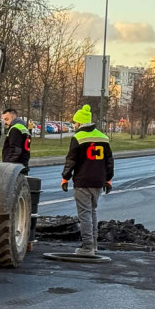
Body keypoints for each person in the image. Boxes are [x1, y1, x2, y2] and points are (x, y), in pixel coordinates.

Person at [61, 104, 114, 257]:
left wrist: (65, 177)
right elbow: (109, 161)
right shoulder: (103, 137)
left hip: (83, 181)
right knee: (92, 212)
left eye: (74, 122)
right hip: (98, 181)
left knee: (84, 214)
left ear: (80, 122)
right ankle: (94, 244)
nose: (73, 124)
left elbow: (71, 160)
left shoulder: (78, 137)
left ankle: (87, 247)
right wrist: (108, 179)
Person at [0, 108, 31, 172]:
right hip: (23, 164)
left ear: (13, 117)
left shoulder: (15, 129)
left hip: (15, 168)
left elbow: (15, 150)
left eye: (7, 119)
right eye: (4, 120)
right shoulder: (23, 127)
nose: (5, 122)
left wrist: (8, 166)